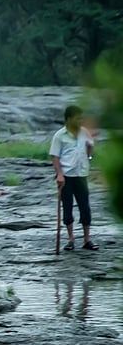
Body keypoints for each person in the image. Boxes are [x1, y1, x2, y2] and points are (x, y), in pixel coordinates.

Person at [50, 104, 98, 251]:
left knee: (85, 206)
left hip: (81, 174)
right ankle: (71, 239)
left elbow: (91, 144)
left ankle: (87, 239)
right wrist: (59, 174)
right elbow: (55, 156)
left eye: (82, 118)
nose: (81, 121)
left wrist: (88, 157)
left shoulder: (84, 132)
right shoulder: (59, 135)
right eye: (78, 118)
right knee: (68, 207)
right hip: (66, 176)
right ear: (69, 119)